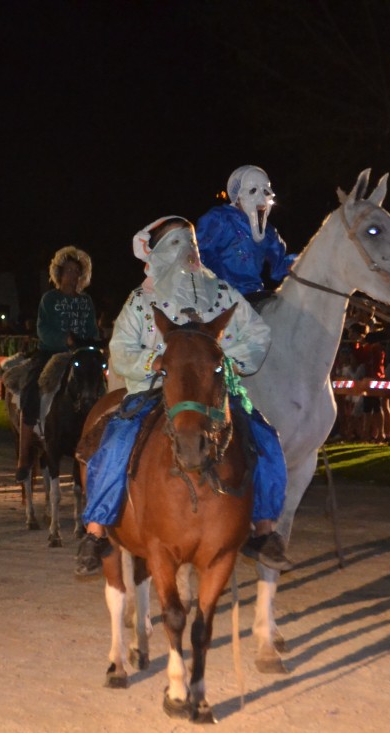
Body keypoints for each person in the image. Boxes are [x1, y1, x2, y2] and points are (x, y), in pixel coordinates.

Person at [75, 216, 292, 576]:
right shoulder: (142, 300)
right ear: (157, 253)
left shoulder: (222, 294)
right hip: (154, 391)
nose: (186, 253)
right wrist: (155, 361)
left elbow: (258, 334)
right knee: (114, 440)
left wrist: (226, 362)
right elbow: (121, 347)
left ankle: (264, 529)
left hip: (212, 392)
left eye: (190, 243)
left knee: (266, 438)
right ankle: (96, 529)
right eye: (175, 244)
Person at [16, 246, 99, 479]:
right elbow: (42, 329)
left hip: (82, 353)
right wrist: (64, 339)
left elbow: (92, 328)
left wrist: (93, 340)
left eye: (76, 271)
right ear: (60, 274)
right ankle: (24, 456)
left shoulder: (86, 301)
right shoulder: (49, 299)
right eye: (69, 271)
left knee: (97, 388)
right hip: (51, 352)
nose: (73, 276)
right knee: (30, 388)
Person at [195, 165, 296, 301]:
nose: (261, 198)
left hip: (253, 295)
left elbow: (279, 264)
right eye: (253, 191)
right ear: (238, 197)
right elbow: (199, 253)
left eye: (266, 192)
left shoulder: (269, 232)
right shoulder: (221, 219)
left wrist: (301, 261)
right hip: (220, 297)